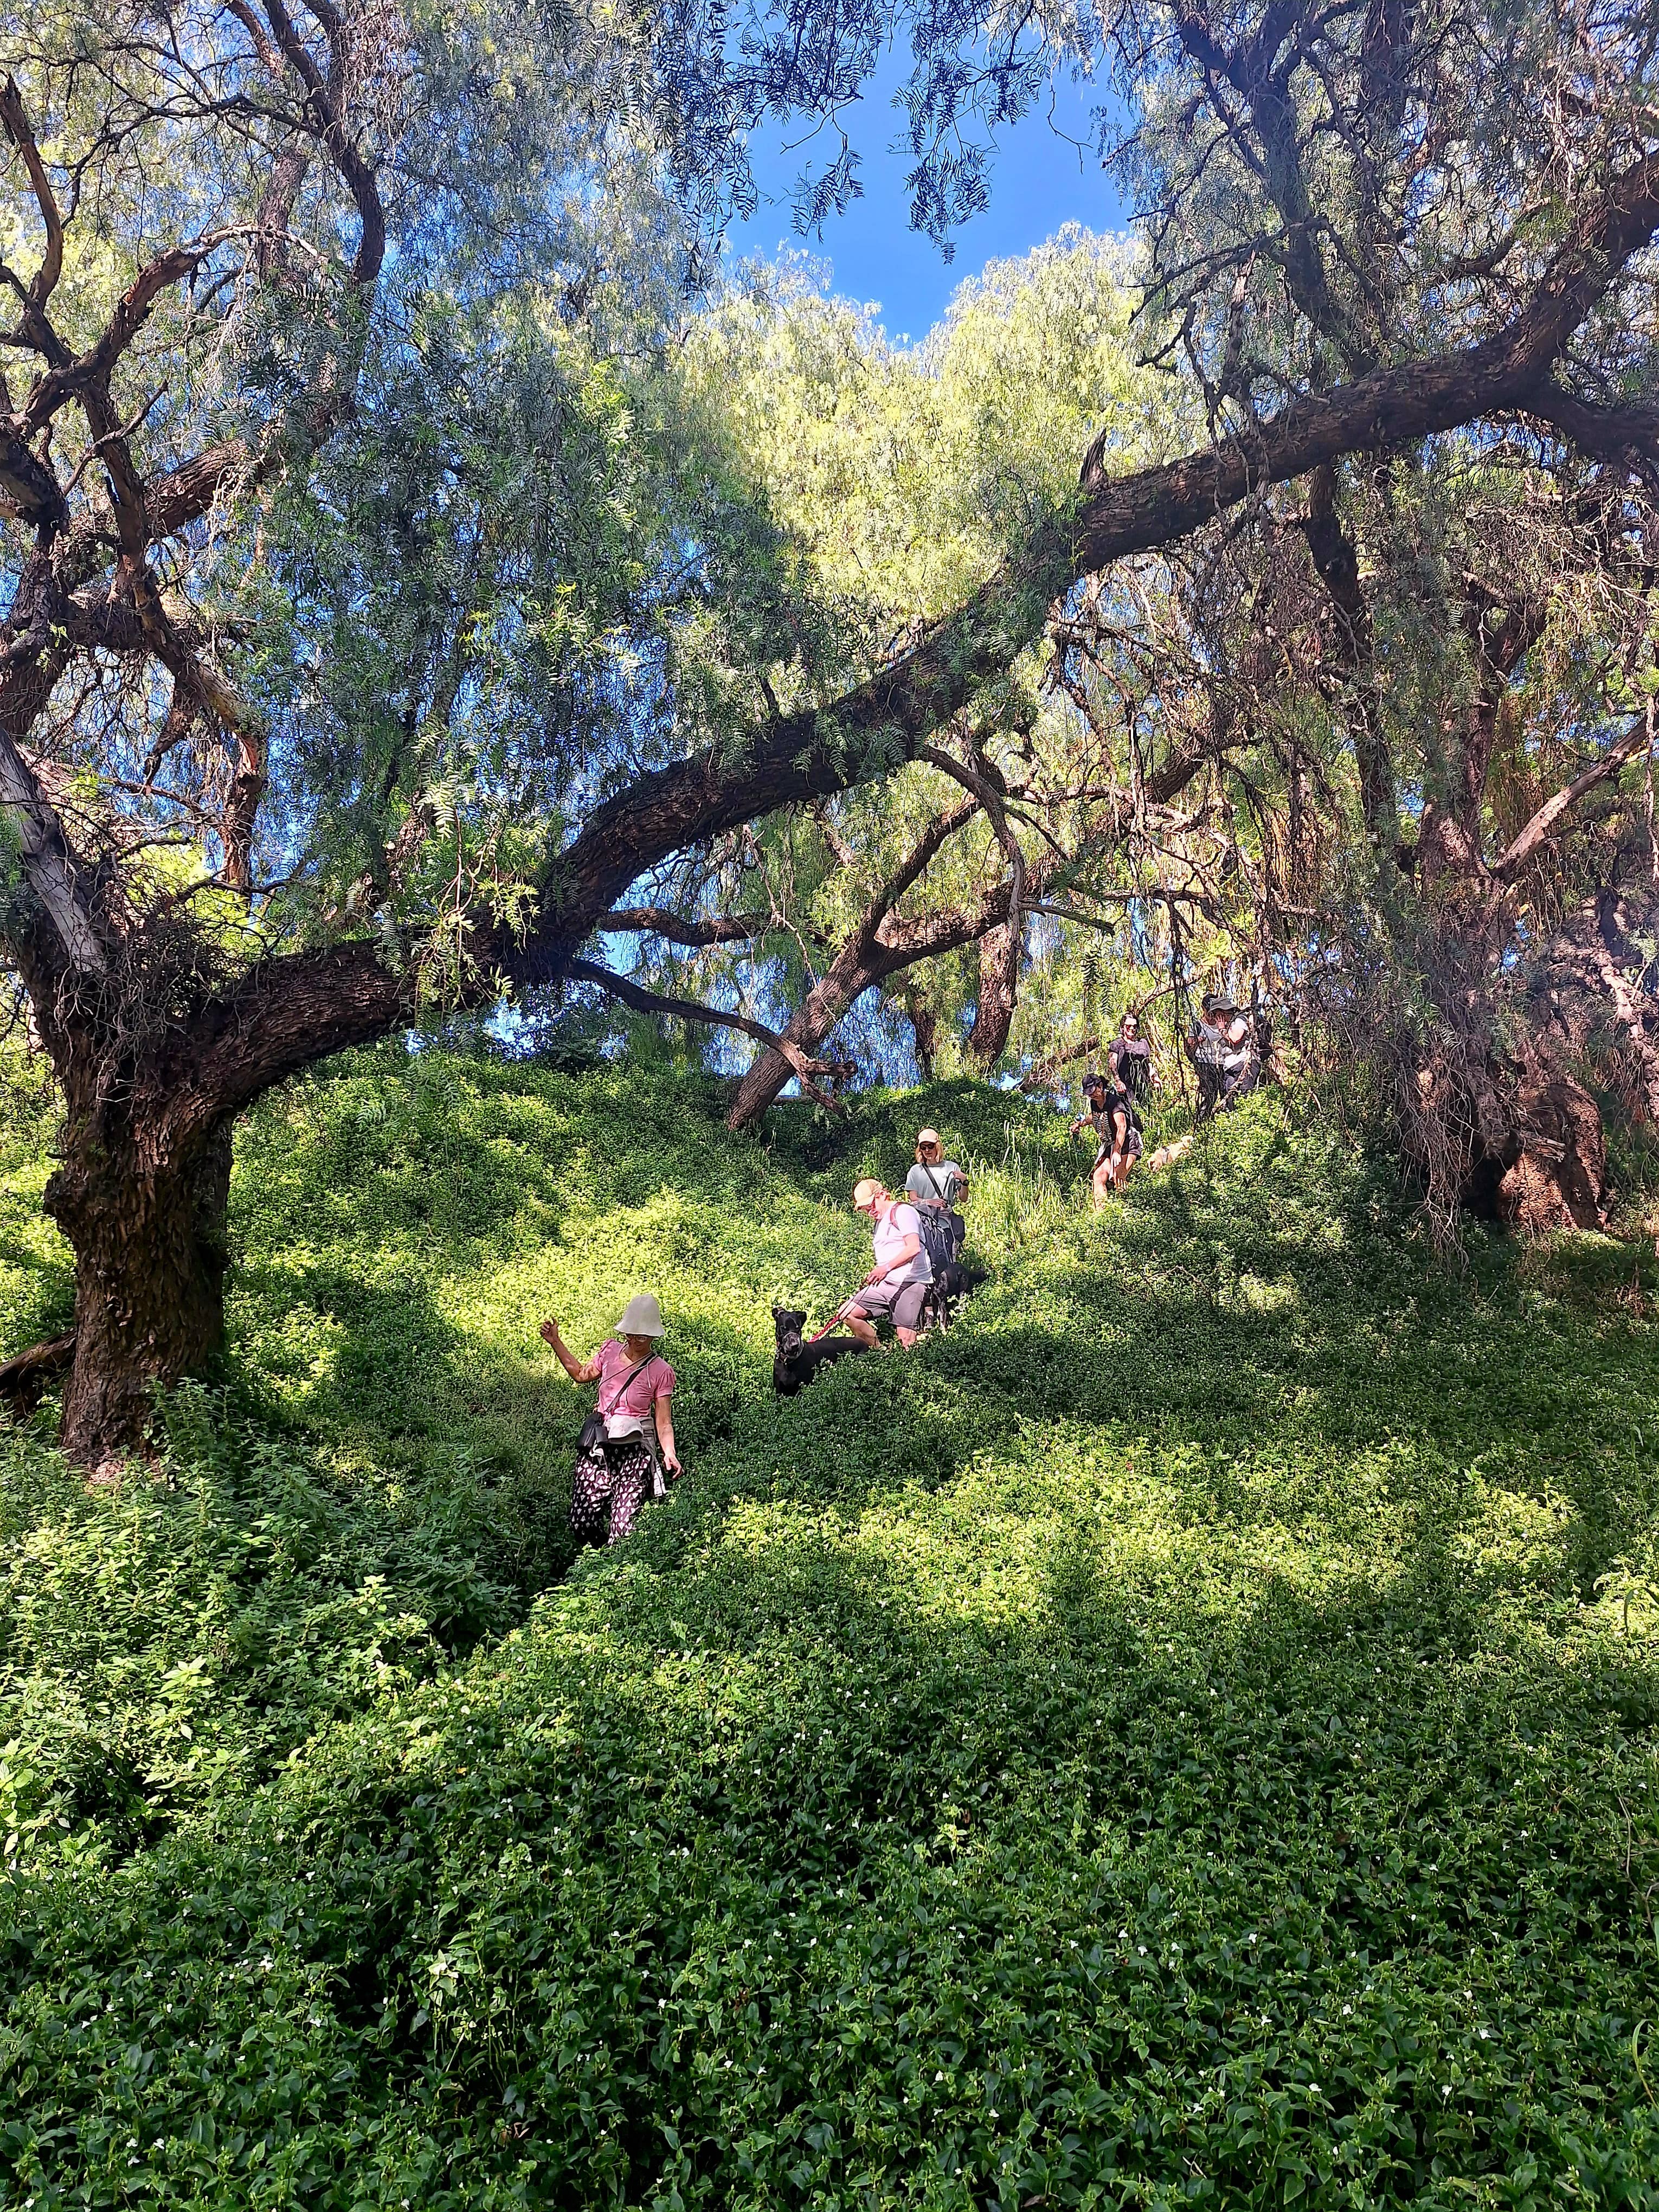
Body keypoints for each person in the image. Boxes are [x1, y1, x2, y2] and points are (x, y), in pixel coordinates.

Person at [541, 1293, 679, 1546]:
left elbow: (663, 1421)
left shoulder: (661, 1371)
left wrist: (669, 1453)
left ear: (653, 1336)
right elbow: (582, 1374)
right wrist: (556, 1342)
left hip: (634, 1450)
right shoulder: (610, 1351)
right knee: (581, 1520)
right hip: (599, 1445)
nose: (635, 1340)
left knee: (623, 1528)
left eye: (642, 1336)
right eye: (631, 1333)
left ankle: (615, 1573)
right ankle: (594, 1561)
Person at [846, 1178, 933, 1348]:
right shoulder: (881, 1221)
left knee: (906, 1340)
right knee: (848, 1312)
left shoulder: (903, 1212)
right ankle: (880, 1353)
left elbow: (913, 1248)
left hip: (912, 1281)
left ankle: (913, 1367)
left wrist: (884, 1269)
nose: (869, 1211)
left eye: (871, 1205)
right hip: (887, 1283)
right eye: (865, 1209)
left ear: (882, 1195)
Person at [1069, 1072, 1141, 1207]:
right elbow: (1095, 1116)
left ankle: (1130, 1211)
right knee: (1098, 1177)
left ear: (1100, 1086)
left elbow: (1122, 1126)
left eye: (1094, 1091)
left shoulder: (1115, 1102)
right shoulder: (1094, 1103)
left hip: (1128, 1141)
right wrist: (1080, 1124)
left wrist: (1117, 1152)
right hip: (1110, 1145)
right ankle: (1101, 1216)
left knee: (1118, 1178)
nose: (1092, 1095)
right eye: (1089, 1094)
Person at [1108, 1011, 1153, 1105]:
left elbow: (1149, 1063)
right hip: (1126, 1089)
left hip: (1144, 1087)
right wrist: (1118, 1081)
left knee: (1148, 1111)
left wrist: (1154, 1076)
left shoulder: (1143, 1042)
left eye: (1135, 1026)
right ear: (1123, 1027)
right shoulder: (1117, 1044)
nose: (1132, 1029)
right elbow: (1112, 1064)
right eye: (1128, 1026)